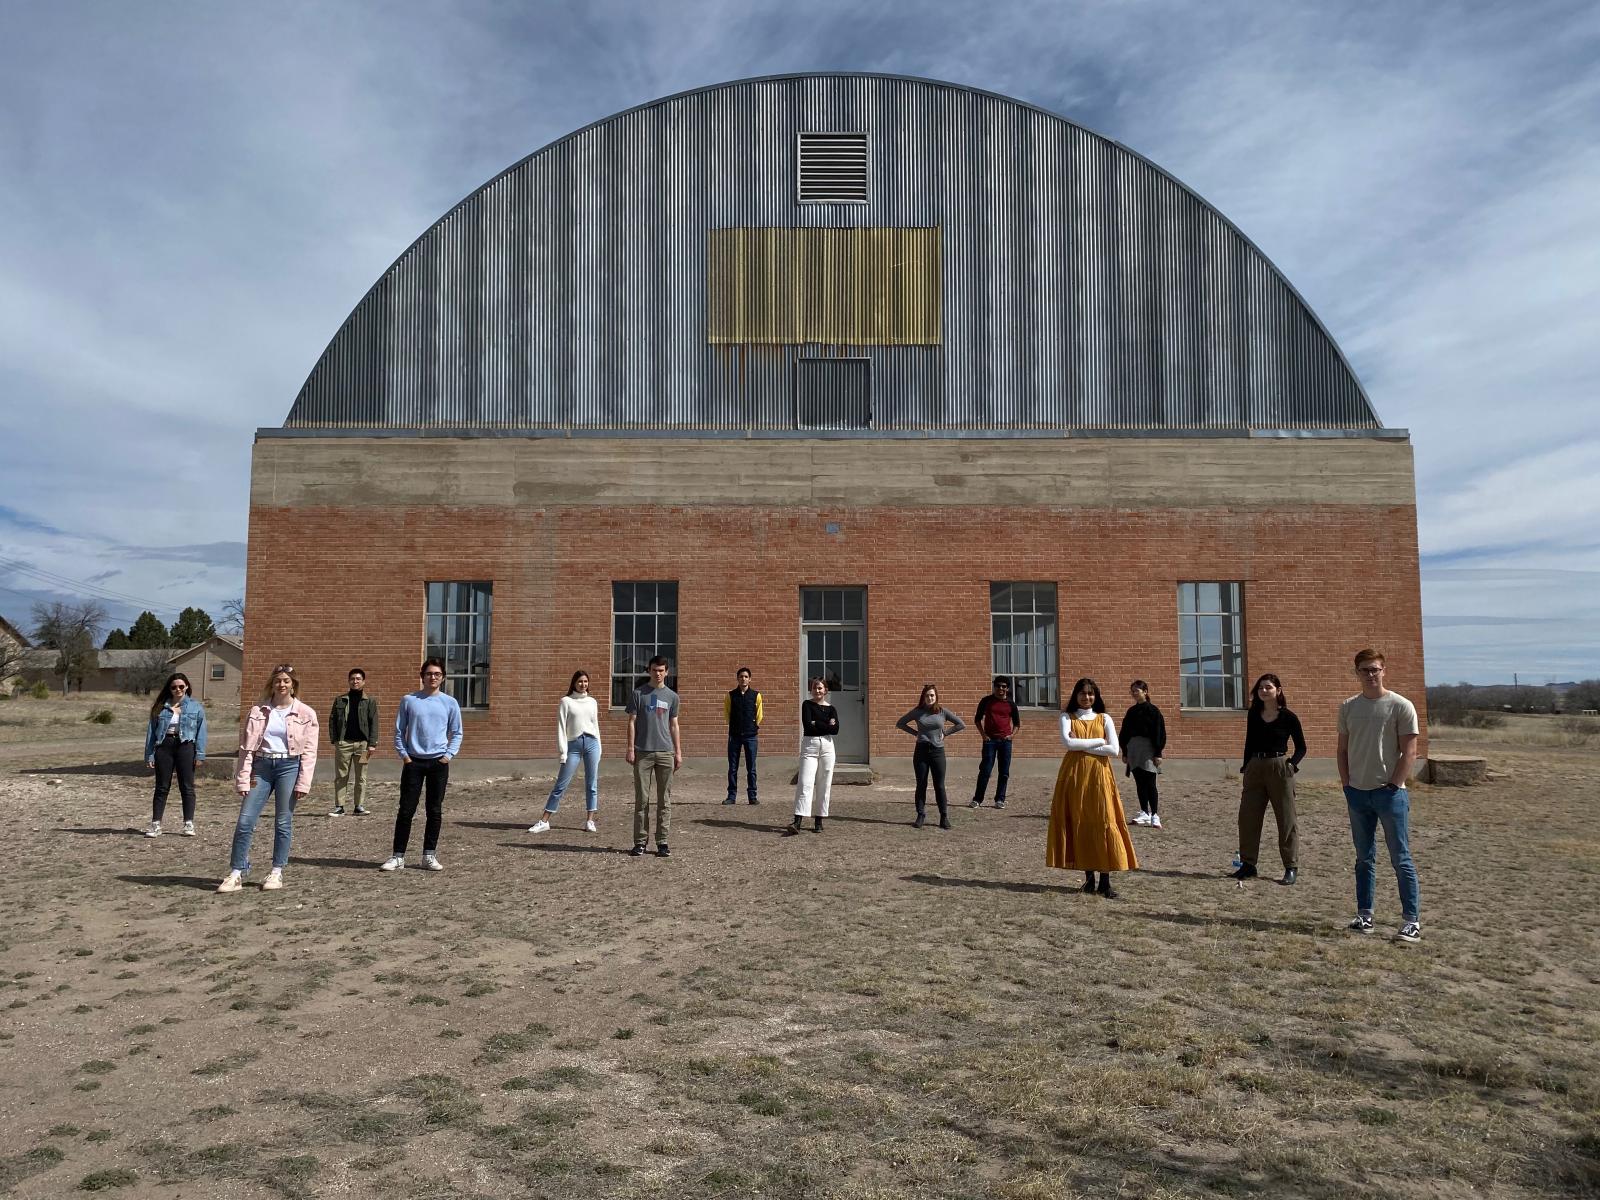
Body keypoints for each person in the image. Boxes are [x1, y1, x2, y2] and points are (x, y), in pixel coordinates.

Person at [1337, 648, 1422, 942]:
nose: (1370, 674)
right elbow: (1343, 749)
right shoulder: (1348, 707)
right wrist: (1347, 784)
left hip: (1389, 795)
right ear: (1356, 673)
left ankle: (1411, 921)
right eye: (1364, 670)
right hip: (1357, 794)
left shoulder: (1400, 705)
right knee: (1364, 858)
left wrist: (1393, 785)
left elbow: (1410, 751)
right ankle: (1365, 916)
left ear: (1384, 671)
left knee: (1401, 858)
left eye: (1375, 669)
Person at [218, 664, 318, 893]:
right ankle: (236, 872)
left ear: (293, 684)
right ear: (271, 684)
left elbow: (310, 752)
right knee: (245, 821)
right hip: (261, 767)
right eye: (277, 681)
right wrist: (243, 778)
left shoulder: (306, 713)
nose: (281, 684)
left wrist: (304, 781)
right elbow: (246, 748)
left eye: (286, 681)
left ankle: (276, 871)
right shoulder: (258, 711)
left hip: (289, 766)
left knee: (283, 821)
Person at [1046, 678, 1137, 898]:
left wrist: (1086, 743)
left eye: (1091, 694)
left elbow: (1114, 749)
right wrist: (1099, 741)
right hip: (1075, 776)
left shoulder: (1104, 718)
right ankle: (1089, 880)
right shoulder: (1066, 717)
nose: (1087, 698)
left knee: (1104, 820)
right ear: (1075, 695)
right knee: (1081, 821)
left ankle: (1105, 881)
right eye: (1083, 694)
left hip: (1099, 776)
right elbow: (1068, 744)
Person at [381, 658, 463, 873]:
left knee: (434, 810)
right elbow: (399, 731)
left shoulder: (450, 703)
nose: (432, 677)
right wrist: (405, 756)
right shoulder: (409, 700)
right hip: (414, 762)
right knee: (406, 810)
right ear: (422, 676)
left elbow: (457, 732)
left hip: (438, 763)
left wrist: (448, 755)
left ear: (443, 677)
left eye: (437, 674)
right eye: (429, 673)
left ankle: (429, 854)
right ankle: (398, 856)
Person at [1233, 674, 1307, 884]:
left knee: (1286, 819)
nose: (1264, 691)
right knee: (1248, 817)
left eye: (1268, 687)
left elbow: (1302, 746)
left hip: (1280, 768)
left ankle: (1290, 866)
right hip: (1255, 767)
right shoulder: (1254, 715)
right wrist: (1246, 766)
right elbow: (1249, 742)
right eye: (1260, 688)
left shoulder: (1289, 717)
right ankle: (1248, 865)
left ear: (1278, 691)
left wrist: (1292, 764)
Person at [529, 670, 602, 835]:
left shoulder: (592, 702)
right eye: (580, 682)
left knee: (592, 784)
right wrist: (563, 752)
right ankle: (544, 821)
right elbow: (561, 728)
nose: (583, 684)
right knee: (561, 784)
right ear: (574, 683)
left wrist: (600, 747)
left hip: (592, 743)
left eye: (585, 681)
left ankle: (590, 820)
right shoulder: (566, 701)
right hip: (573, 745)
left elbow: (595, 725)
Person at [626, 655, 681, 858]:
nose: (658, 673)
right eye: (654, 670)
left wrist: (678, 752)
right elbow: (631, 722)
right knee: (642, 799)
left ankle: (662, 841)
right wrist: (630, 748)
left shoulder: (672, 697)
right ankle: (640, 841)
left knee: (664, 800)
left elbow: (674, 725)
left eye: (661, 670)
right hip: (643, 752)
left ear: (667, 672)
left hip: (666, 752)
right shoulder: (638, 694)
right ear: (649, 670)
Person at [143, 672, 207, 838]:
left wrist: (199, 754)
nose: (177, 689)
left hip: (186, 746)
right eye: (174, 687)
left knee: (187, 786)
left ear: (186, 687)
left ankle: (188, 824)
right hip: (165, 746)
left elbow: (202, 732)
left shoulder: (195, 707)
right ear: (169, 689)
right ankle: (156, 824)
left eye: (181, 686)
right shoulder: (160, 707)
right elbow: (151, 733)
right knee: (162, 787)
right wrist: (150, 755)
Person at [895, 684, 966, 829]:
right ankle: (920, 815)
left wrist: (945, 733)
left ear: (936, 697)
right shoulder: (917, 712)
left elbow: (960, 724)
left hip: (937, 752)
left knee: (939, 785)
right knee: (921, 784)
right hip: (921, 751)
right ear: (923, 697)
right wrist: (916, 733)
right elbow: (900, 723)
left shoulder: (942, 712)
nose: (930, 698)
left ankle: (944, 817)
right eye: (927, 695)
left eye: (932, 695)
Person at [786, 676, 839, 836]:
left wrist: (818, 723)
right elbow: (808, 725)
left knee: (825, 783)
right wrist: (825, 725)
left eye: (820, 688)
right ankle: (798, 820)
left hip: (827, 747)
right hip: (810, 745)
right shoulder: (807, 705)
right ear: (811, 690)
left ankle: (819, 819)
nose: (817, 690)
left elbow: (836, 730)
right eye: (815, 687)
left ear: (825, 691)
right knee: (805, 782)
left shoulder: (832, 709)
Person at [328, 667, 378, 816]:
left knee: (361, 776)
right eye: (352, 679)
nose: (355, 681)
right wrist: (336, 740)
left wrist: (372, 744)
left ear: (363, 681)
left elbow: (374, 722)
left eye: (358, 679)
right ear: (349, 681)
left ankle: (359, 806)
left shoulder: (370, 702)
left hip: (363, 745)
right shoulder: (340, 700)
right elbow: (332, 721)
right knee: (341, 776)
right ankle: (340, 807)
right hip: (344, 744)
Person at [1119, 680, 1166, 828]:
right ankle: (1144, 812)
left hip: (1148, 749)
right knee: (1139, 782)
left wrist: (1158, 752)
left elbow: (1160, 732)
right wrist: (1125, 751)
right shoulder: (1131, 711)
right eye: (1132, 691)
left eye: (1137, 690)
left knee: (1150, 783)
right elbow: (1124, 732)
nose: (1134, 693)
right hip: (1133, 749)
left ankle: (1155, 815)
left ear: (1145, 691)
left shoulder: (1153, 711)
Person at [969, 677, 1020, 809]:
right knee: (985, 770)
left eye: (1003, 686)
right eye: (998, 686)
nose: (1000, 689)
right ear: (994, 687)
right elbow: (977, 719)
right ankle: (977, 799)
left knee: (1004, 772)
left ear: (1007, 688)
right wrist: (983, 735)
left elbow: (1017, 724)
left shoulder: (1011, 704)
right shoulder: (986, 701)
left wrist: (1011, 736)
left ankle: (1000, 799)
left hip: (1005, 742)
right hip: (990, 741)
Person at [723, 666, 763, 806]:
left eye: (746, 676)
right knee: (732, 767)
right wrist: (735, 726)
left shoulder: (756, 695)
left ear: (750, 679)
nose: (743, 679)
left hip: (751, 735)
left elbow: (759, 714)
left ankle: (752, 796)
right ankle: (731, 796)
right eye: (741, 676)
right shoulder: (730, 695)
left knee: (751, 767)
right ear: (737, 679)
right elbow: (727, 713)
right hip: (734, 735)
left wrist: (752, 725)